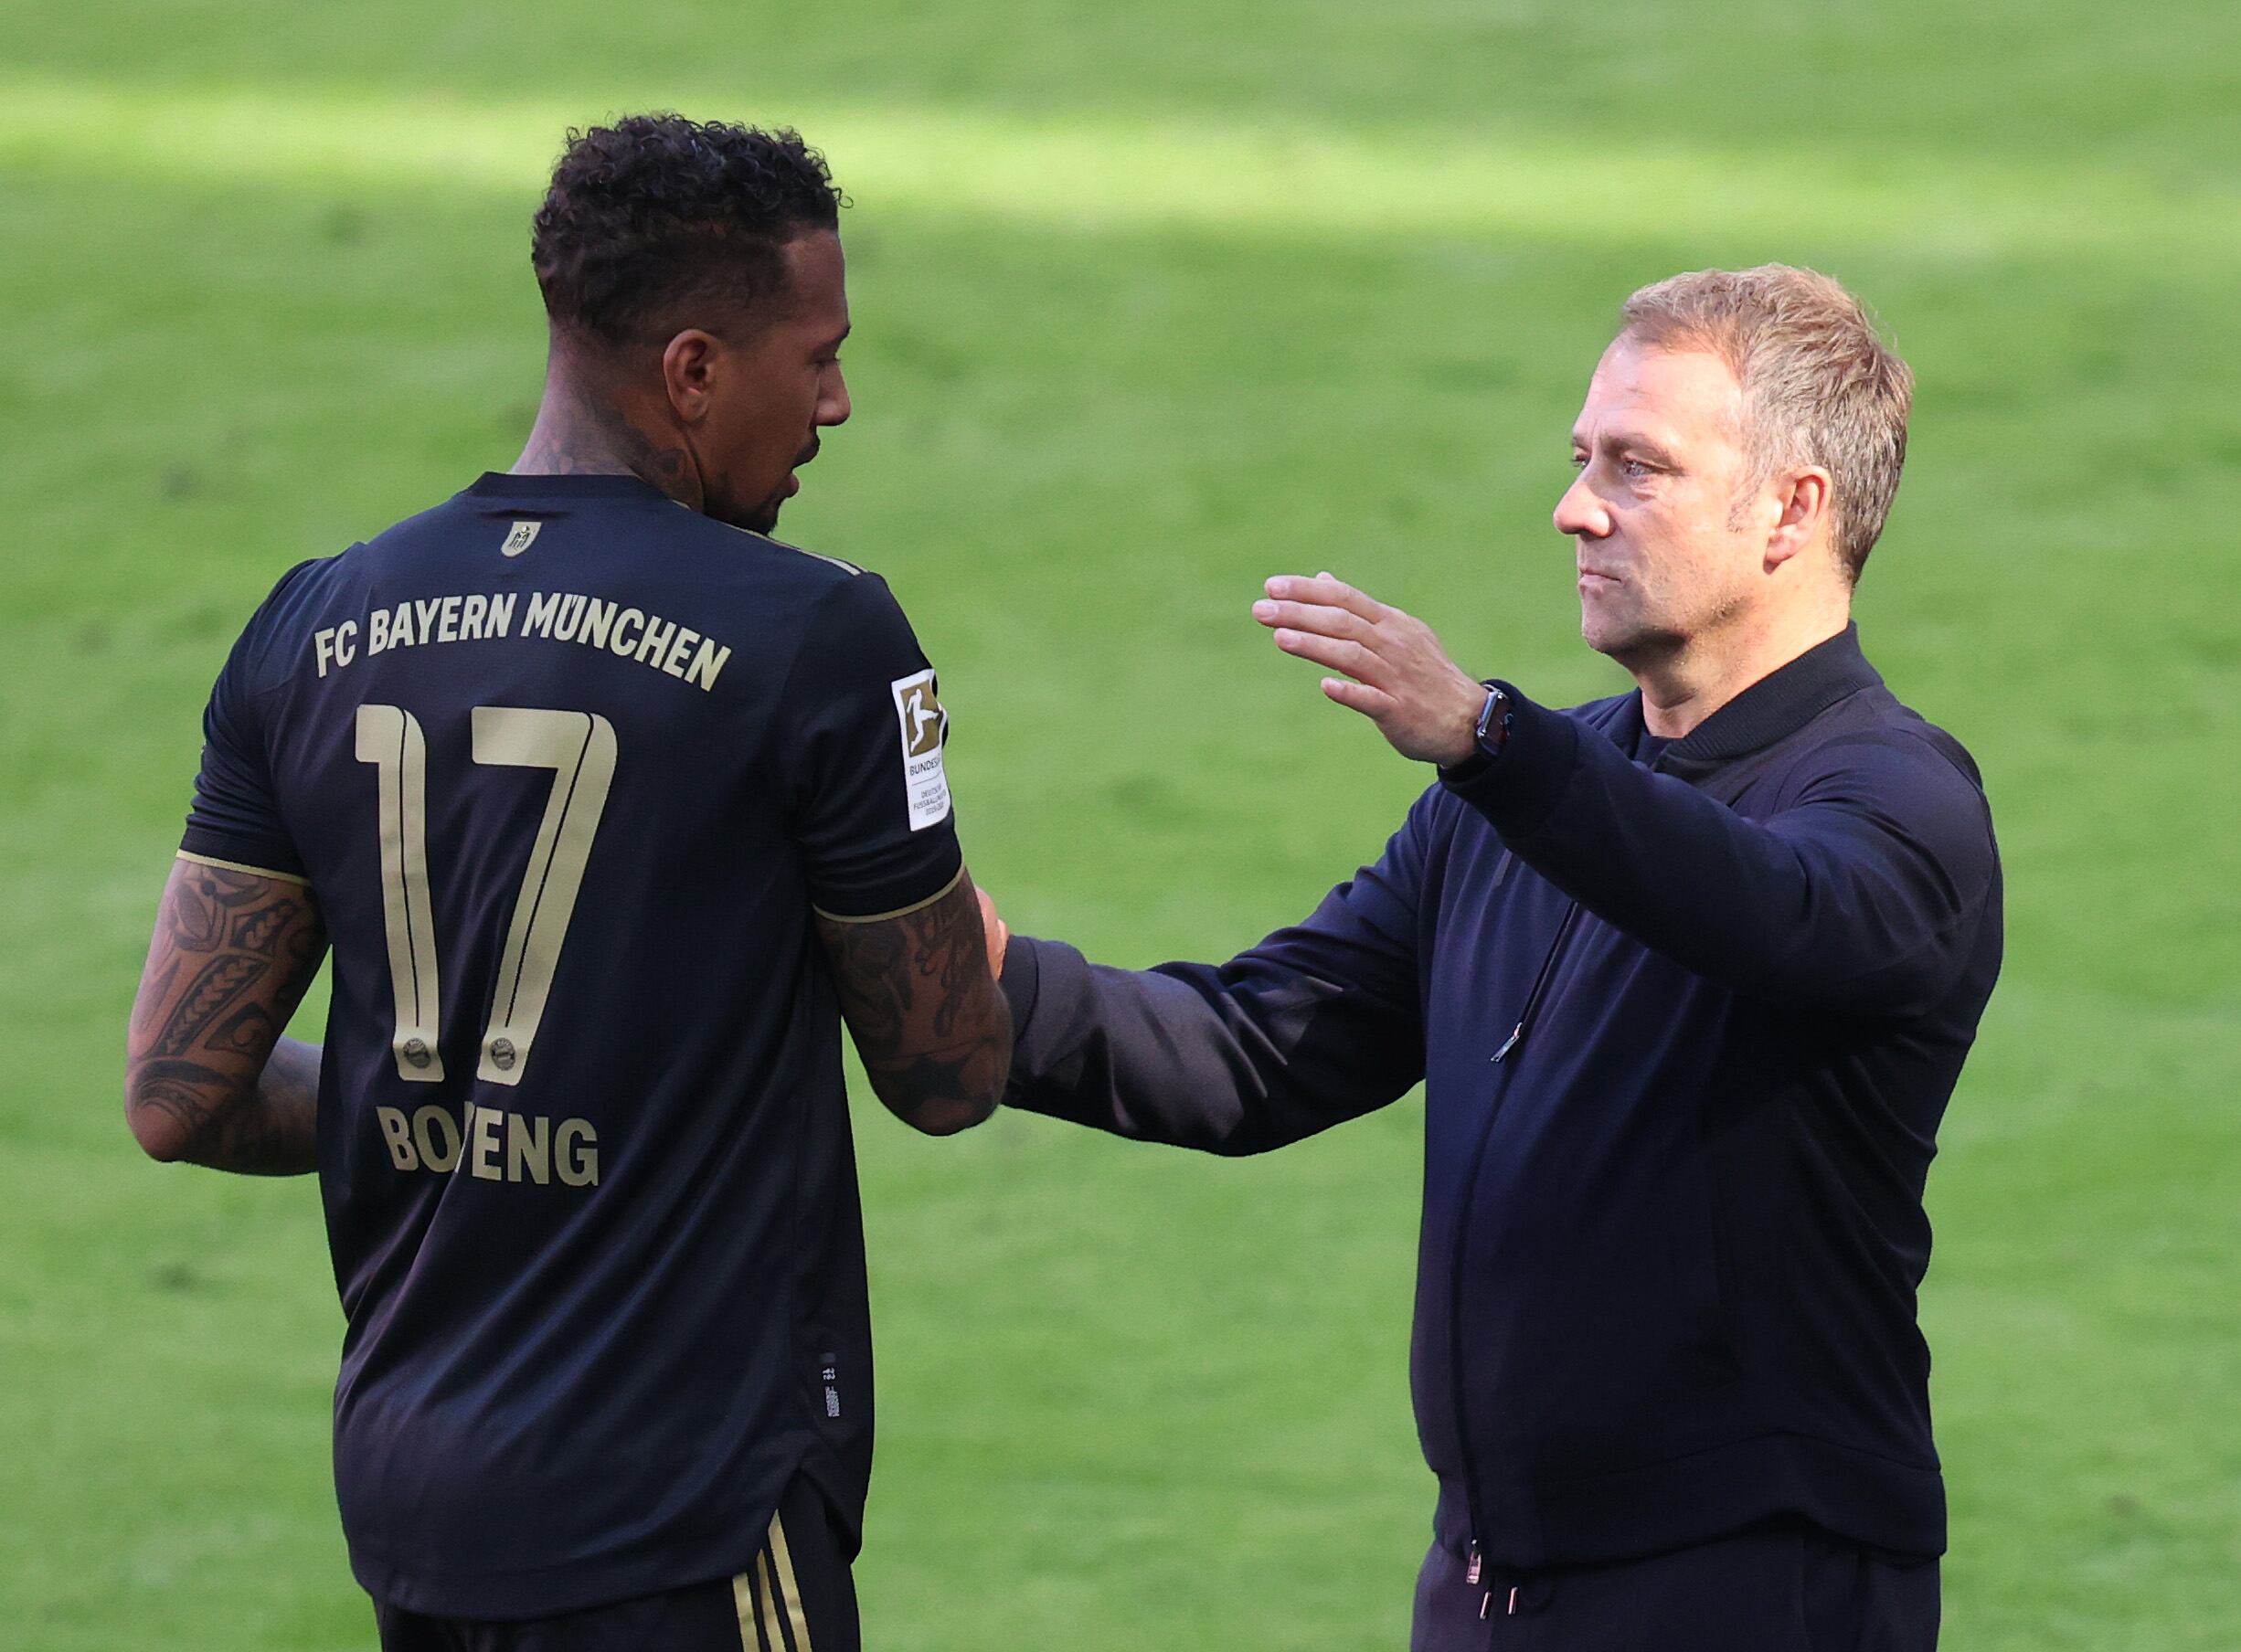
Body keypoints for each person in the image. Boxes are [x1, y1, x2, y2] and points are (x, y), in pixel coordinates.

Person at [979, 265, 2000, 1649]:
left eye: (1638, 467)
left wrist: (1497, 748)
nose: (1575, 507)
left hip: (1753, 1589)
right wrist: (976, 988)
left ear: (1792, 509)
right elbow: (1255, 1050)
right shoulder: (1516, 804)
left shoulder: (1897, 802)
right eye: (1583, 459)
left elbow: (1781, 913)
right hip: (1488, 1587)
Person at [122, 115, 1010, 1652]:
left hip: (417, 1515)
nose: (841, 404)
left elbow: (176, 1092)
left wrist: (445, 1114)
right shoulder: (816, 638)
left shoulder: (309, 625)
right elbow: (945, 1071)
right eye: (818, 358)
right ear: (691, 372)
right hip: (692, 1513)